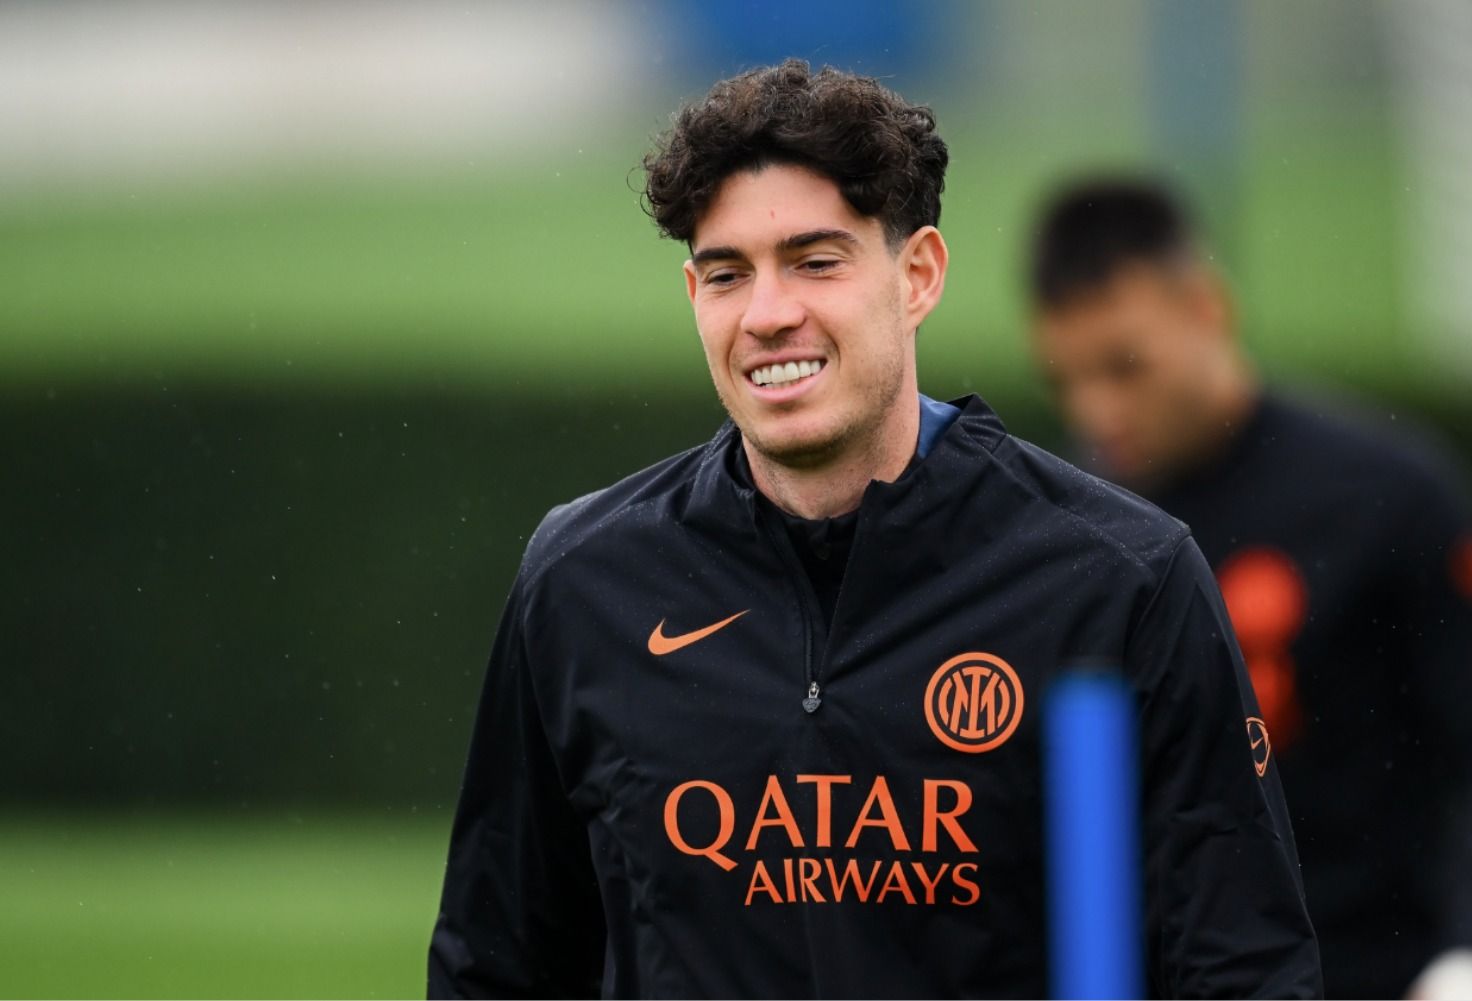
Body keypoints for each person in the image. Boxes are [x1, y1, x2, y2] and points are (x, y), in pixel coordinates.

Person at [427, 62, 1321, 999]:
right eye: (728, 274)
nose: (769, 314)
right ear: (694, 295)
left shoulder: (1120, 581)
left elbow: (1245, 971)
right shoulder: (584, 578)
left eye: (816, 262)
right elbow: (495, 968)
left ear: (918, 275)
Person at [1027, 178, 1472, 1000]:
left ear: (1207, 308)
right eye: (1066, 380)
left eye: (1125, 366)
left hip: (1374, 970)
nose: (1097, 411)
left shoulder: (1388, 493)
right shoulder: (1066, 528)